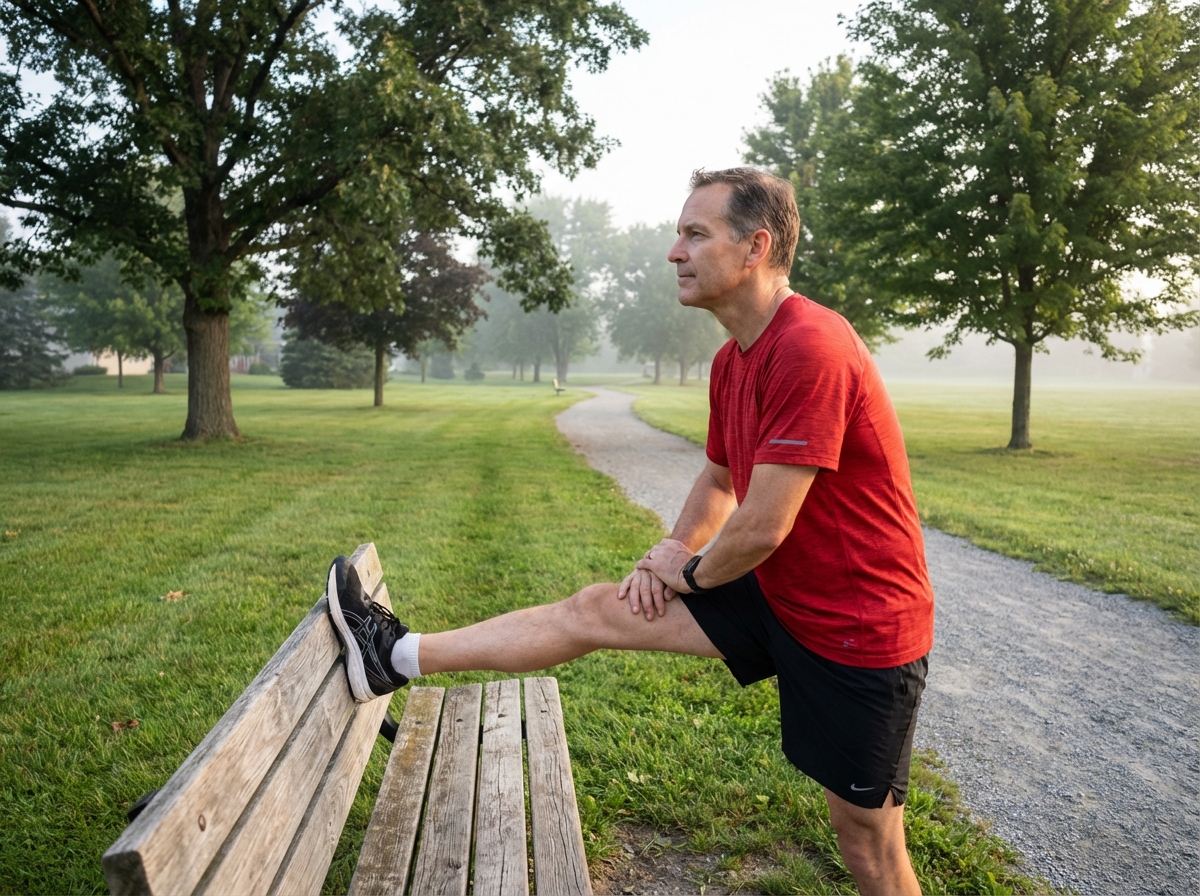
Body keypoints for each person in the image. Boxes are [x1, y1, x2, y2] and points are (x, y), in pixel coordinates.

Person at [325, 167, 934, 896]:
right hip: (776, 596)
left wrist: (693, 574)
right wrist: (674, 551)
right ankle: (394, 655)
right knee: (595, 608)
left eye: (694, 234)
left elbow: (765, 525)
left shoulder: (812, 346)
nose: (674, 252)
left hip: (855, 626)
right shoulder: (731, 360)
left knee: (868, 844)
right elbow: (718, 482)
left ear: (755, 247)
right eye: (678, 233)